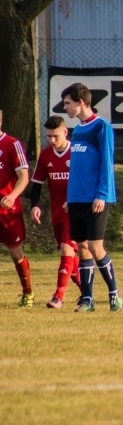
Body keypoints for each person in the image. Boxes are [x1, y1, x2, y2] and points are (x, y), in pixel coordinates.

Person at [61, 83, 123, 312]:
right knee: (82, 248)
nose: (65, 108)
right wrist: (70, 196)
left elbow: (106, 164)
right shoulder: (78, 129)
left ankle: (114, 293)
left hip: (95, 198)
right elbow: (78, 169)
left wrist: (102, 195)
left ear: (81, 102)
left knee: (97, 247)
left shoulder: (101, 128)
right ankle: (87, 299)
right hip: (77, 199)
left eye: (68, 103)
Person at [30, 115, 82, 309]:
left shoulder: (77, 153)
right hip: (57, 212)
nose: (52, 140)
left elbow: (87, 181)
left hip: (76, 211)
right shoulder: (45, 155)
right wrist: (35, 205)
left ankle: (58, 296)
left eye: (55, 136)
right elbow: (37, 184)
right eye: (49, 136)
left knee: (66, 250)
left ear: (65, 132)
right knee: (70, 256)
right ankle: (86, 291)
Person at [0, 110, 33, 307]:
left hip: (7, 211)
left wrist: (12, 196)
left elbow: (24, 176)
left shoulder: (12, 144)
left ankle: (27, 292)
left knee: (15, 253)